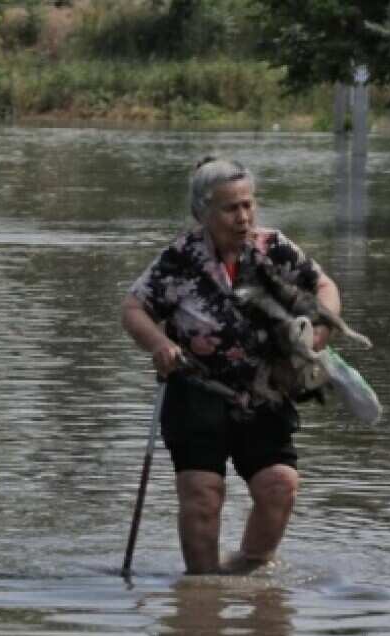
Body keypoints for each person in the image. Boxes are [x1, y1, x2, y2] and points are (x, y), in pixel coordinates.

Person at [120, 157, 342, 575]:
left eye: (248, 205)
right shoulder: (179, 258)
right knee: (203, 494)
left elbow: (324, 286)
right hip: (195, 389)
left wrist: (317, 331)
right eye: (230, 208)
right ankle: (202, 594)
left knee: (279, 486)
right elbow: (134, 308)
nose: (243, 217)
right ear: (202, 212)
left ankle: (250, 571)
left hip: (265, 389)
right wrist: (160, 343)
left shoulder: (273, 248)